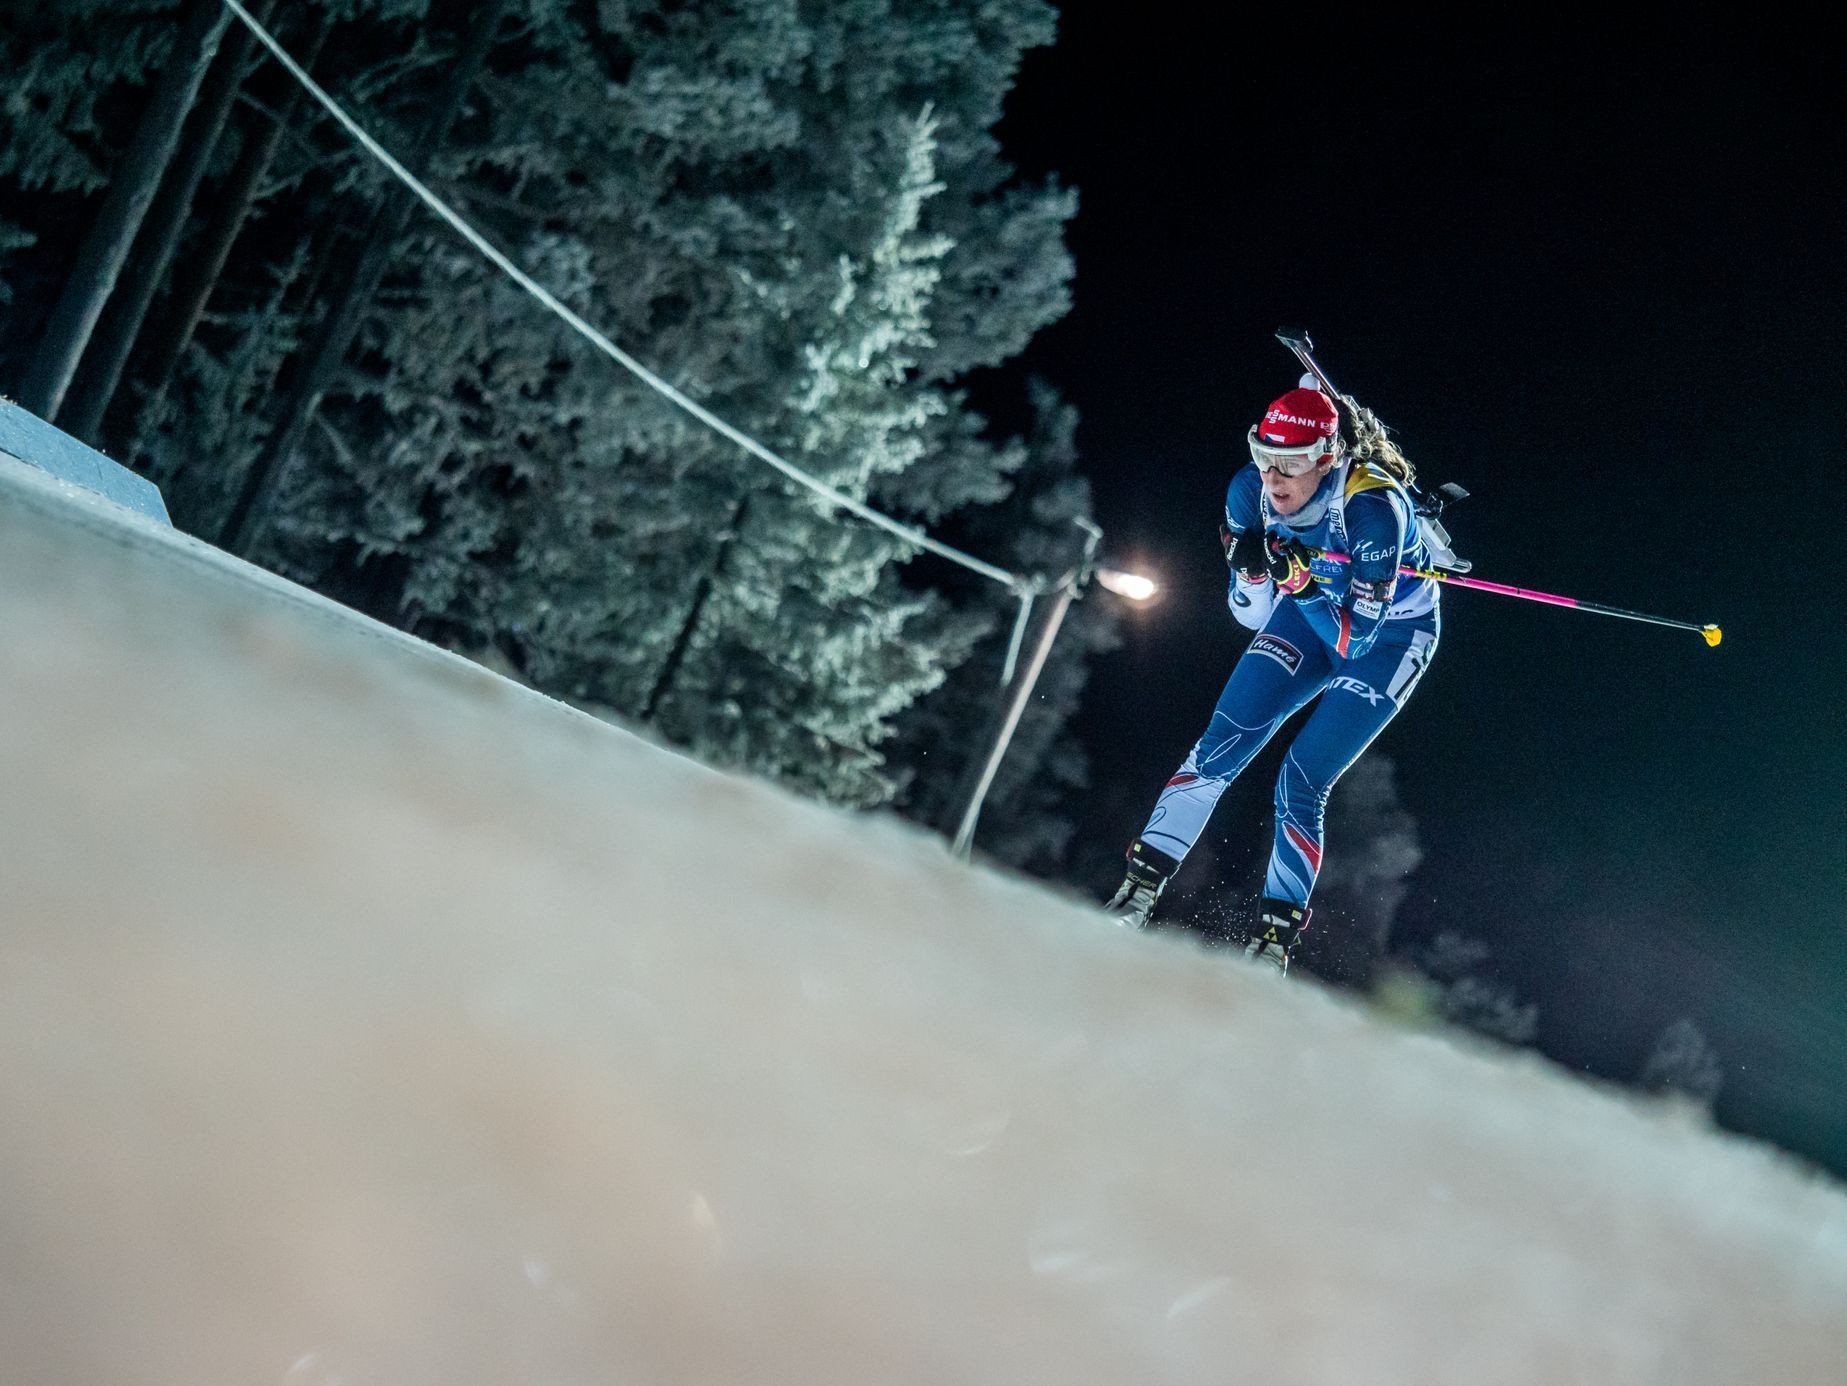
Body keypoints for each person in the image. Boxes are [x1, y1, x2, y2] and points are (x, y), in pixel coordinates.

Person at [1104, 379, 1441, 973]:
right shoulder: (1247, 493)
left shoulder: (1374, 512)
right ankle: (1136, 893)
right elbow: (1252, 617)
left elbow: (1355, 640)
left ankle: (1271, 944)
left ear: (1326, 459)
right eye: (1265, 458)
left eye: (1288, 465)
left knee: (1302, 779)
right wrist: (1257, 576)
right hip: (1307, 615)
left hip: (1390, 638)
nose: (1273, 479)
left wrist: (1300, 583)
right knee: (1218, 748)